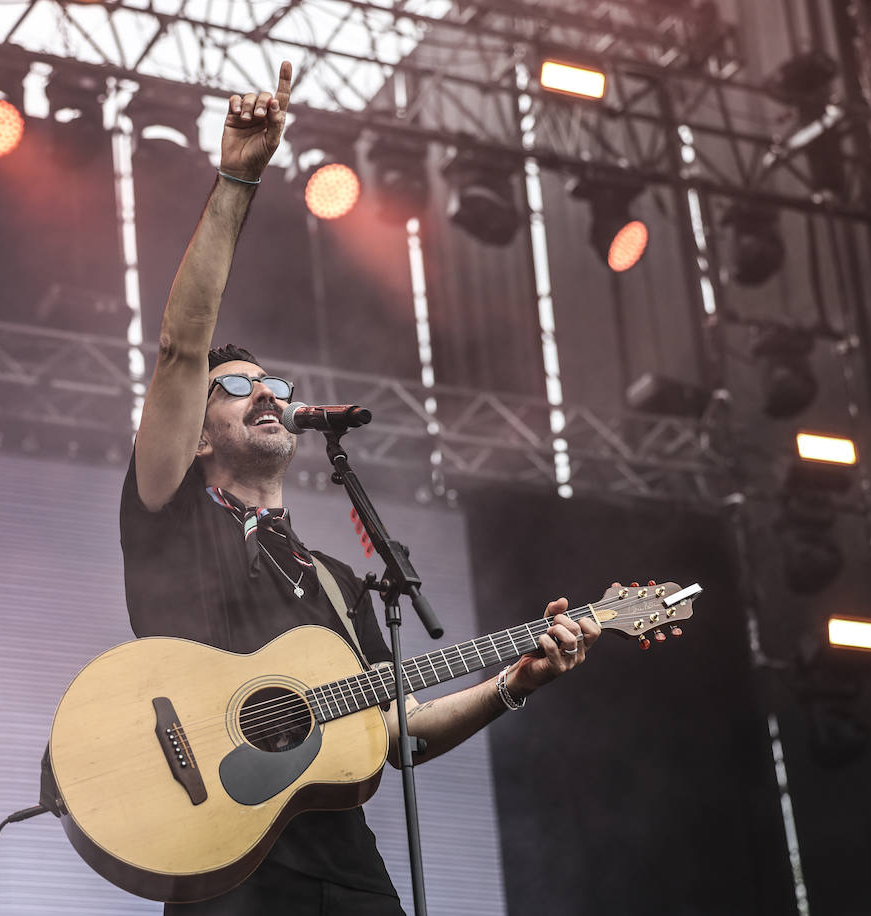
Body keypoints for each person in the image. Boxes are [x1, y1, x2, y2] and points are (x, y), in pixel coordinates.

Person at [120, 61, 600, 915]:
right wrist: (239, 175)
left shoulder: (338, 587)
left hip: (347, 879)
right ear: (196, 434)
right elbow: (179, 350)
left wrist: (518, 680)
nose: (268, 393)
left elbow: (398, 728)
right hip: (221, 869)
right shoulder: (170, 517)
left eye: (276, 383)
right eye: (238, 388)